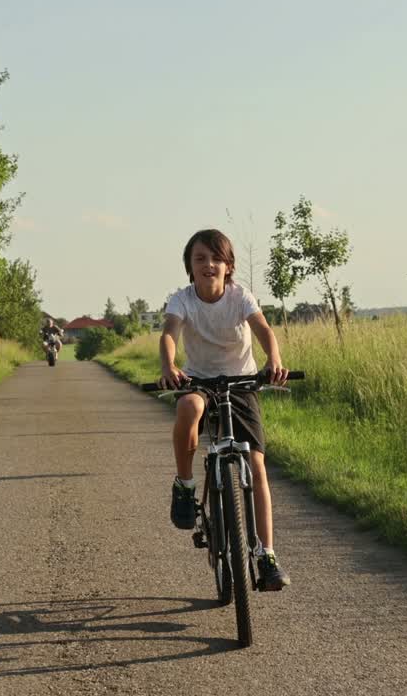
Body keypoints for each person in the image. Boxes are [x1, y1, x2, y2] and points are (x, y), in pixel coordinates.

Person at [158, 229, 292, 591]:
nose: (208, 265)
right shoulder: (182, 300)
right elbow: (170, 332)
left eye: (216, 258)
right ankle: (185, 484)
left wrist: (274, 359)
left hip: (241, 382)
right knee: (187, 405)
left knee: (257, 465)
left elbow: (262, 328)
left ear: (228, 265)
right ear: (189, 266)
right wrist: (169, 365)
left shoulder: (240, 297)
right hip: (200, 380)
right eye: (199, 258)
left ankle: (266, 555)